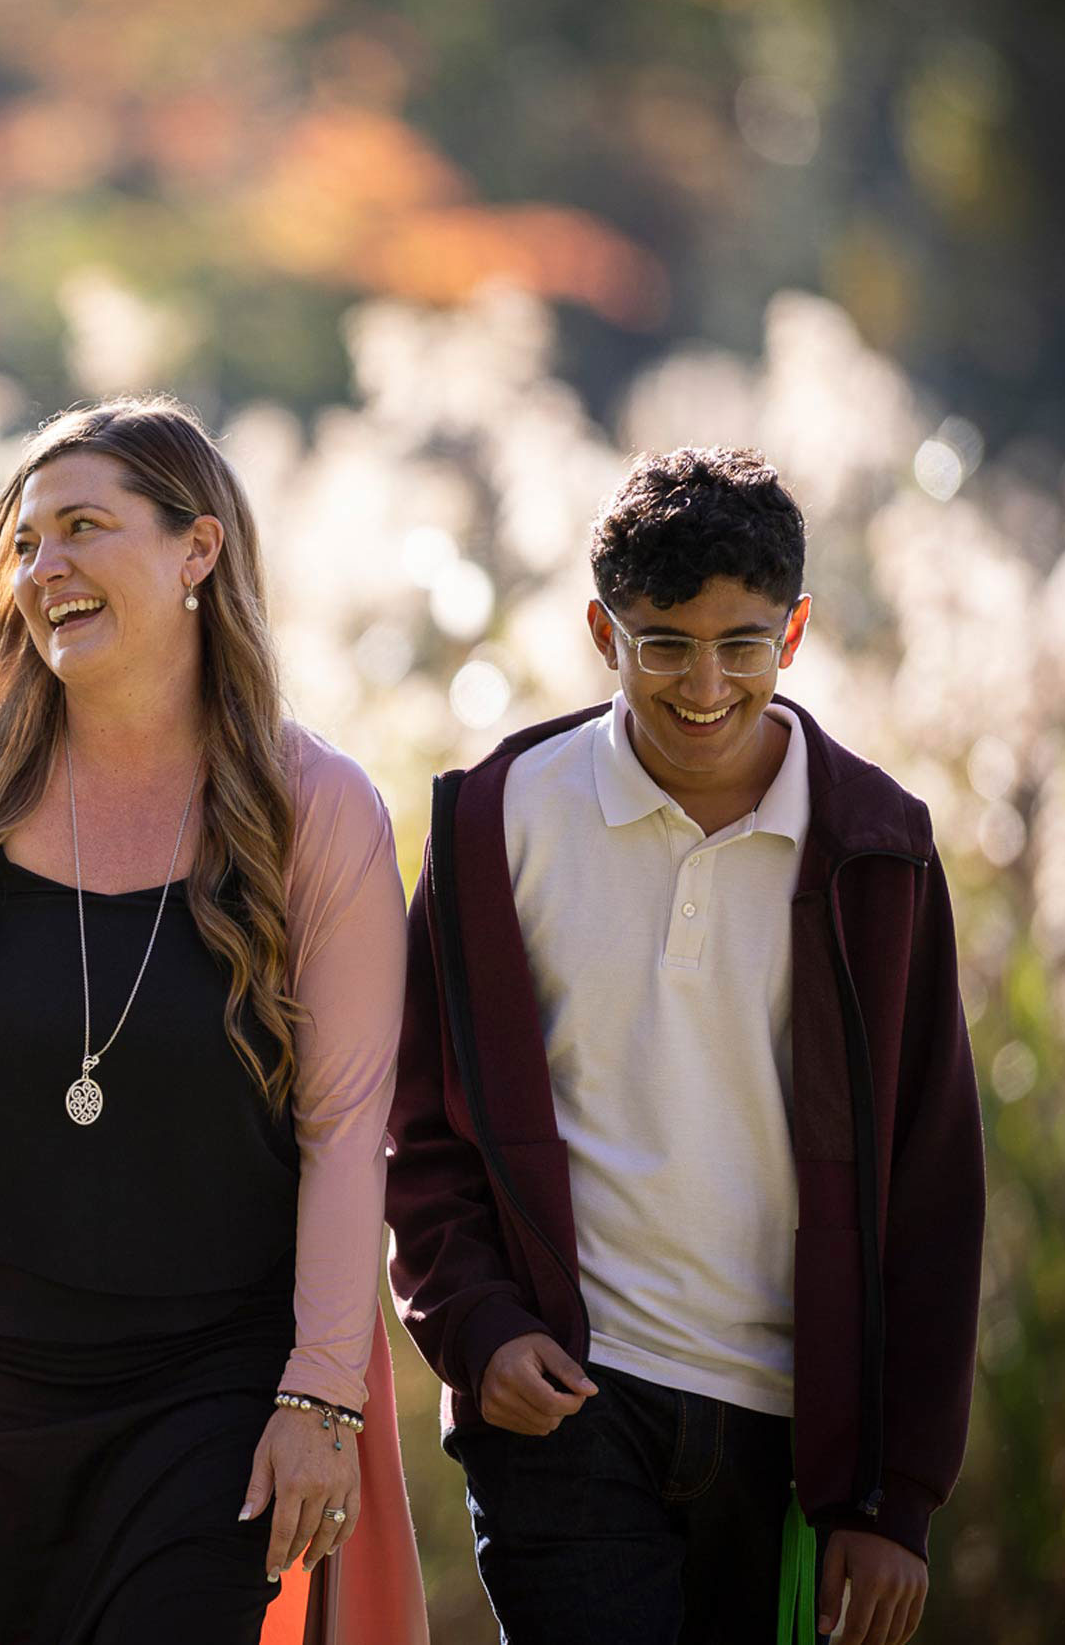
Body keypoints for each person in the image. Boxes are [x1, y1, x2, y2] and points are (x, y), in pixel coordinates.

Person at [0, 397, 427, 1645]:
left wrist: (322, 1392)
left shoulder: (318, 809)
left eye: (83, 528)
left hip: (213, 1392)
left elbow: (346, 1131)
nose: (43, 570)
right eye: (24, 543)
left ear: (198, 550)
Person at [385, 447, 983, 1645]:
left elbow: (931, 1179)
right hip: (568, 1407)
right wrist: (479, 1325)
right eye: (664, 642)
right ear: (602, 632)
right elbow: (424, 1124)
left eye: (742, 643)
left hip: (789, 1428)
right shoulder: (495, 820)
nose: (704, 683)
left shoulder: (878, 849)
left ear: (796, 630)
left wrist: (893, 1496)